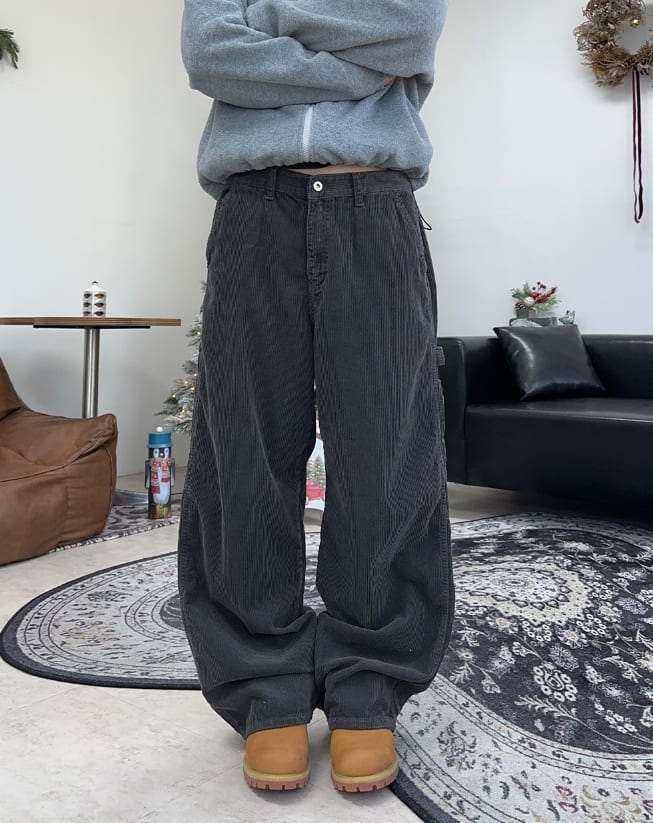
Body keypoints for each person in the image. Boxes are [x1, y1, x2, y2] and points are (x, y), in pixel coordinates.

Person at [177, 0, 454, 794]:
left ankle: (369, 675)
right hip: (254, 209)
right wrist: (354, 66)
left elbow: (411, 31)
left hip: (377, 206)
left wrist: (273, 26)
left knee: (386, 452)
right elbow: (210, 54)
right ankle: (264, 680)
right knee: (244, 447)